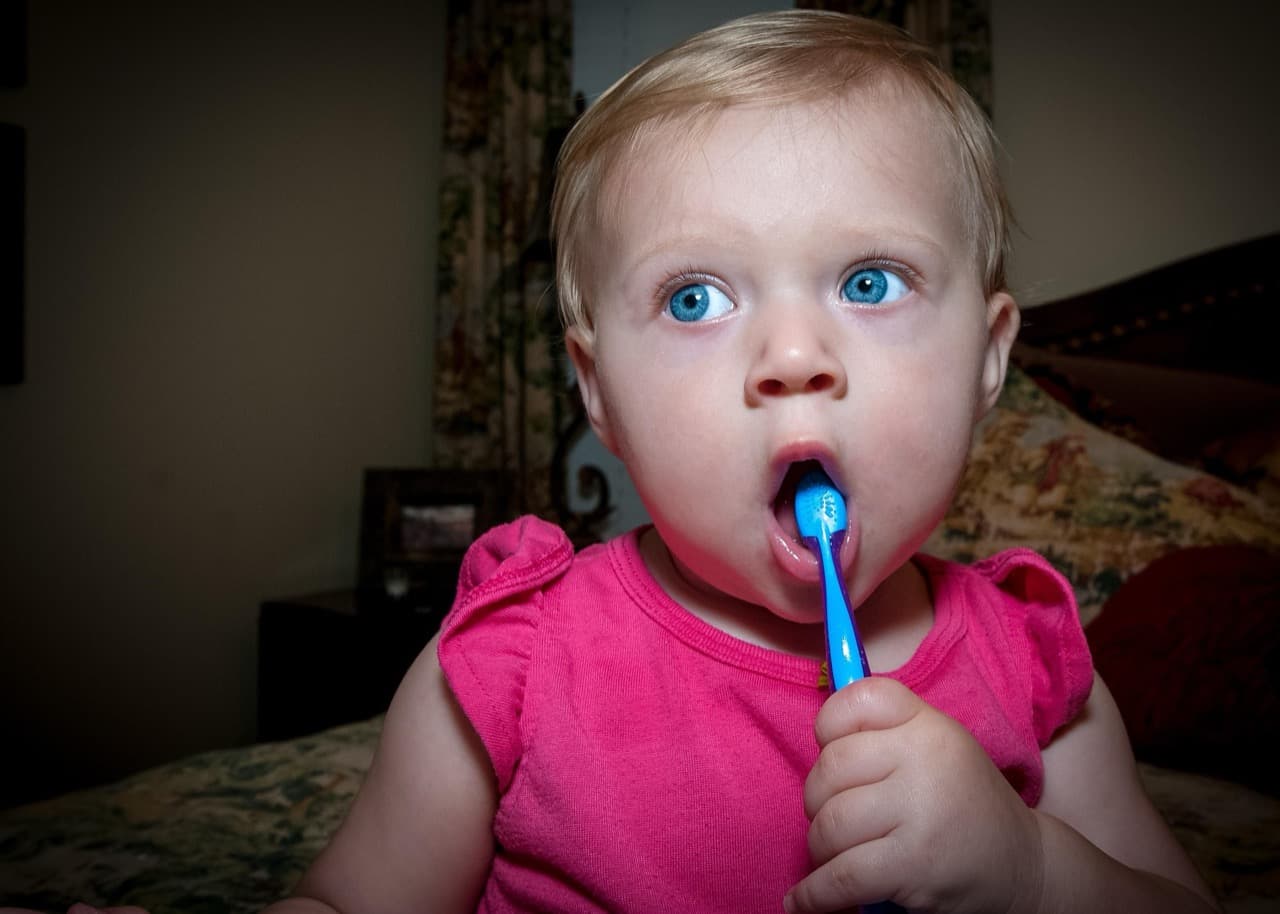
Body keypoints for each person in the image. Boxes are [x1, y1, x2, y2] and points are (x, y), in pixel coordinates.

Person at [265, 11, 1220, 914]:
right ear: (598, 391)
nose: (794, 358)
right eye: (694, 300)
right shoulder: (511, 663)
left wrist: (1035, 872)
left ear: (987, 358)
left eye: (869, 281)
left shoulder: (1036, 668)